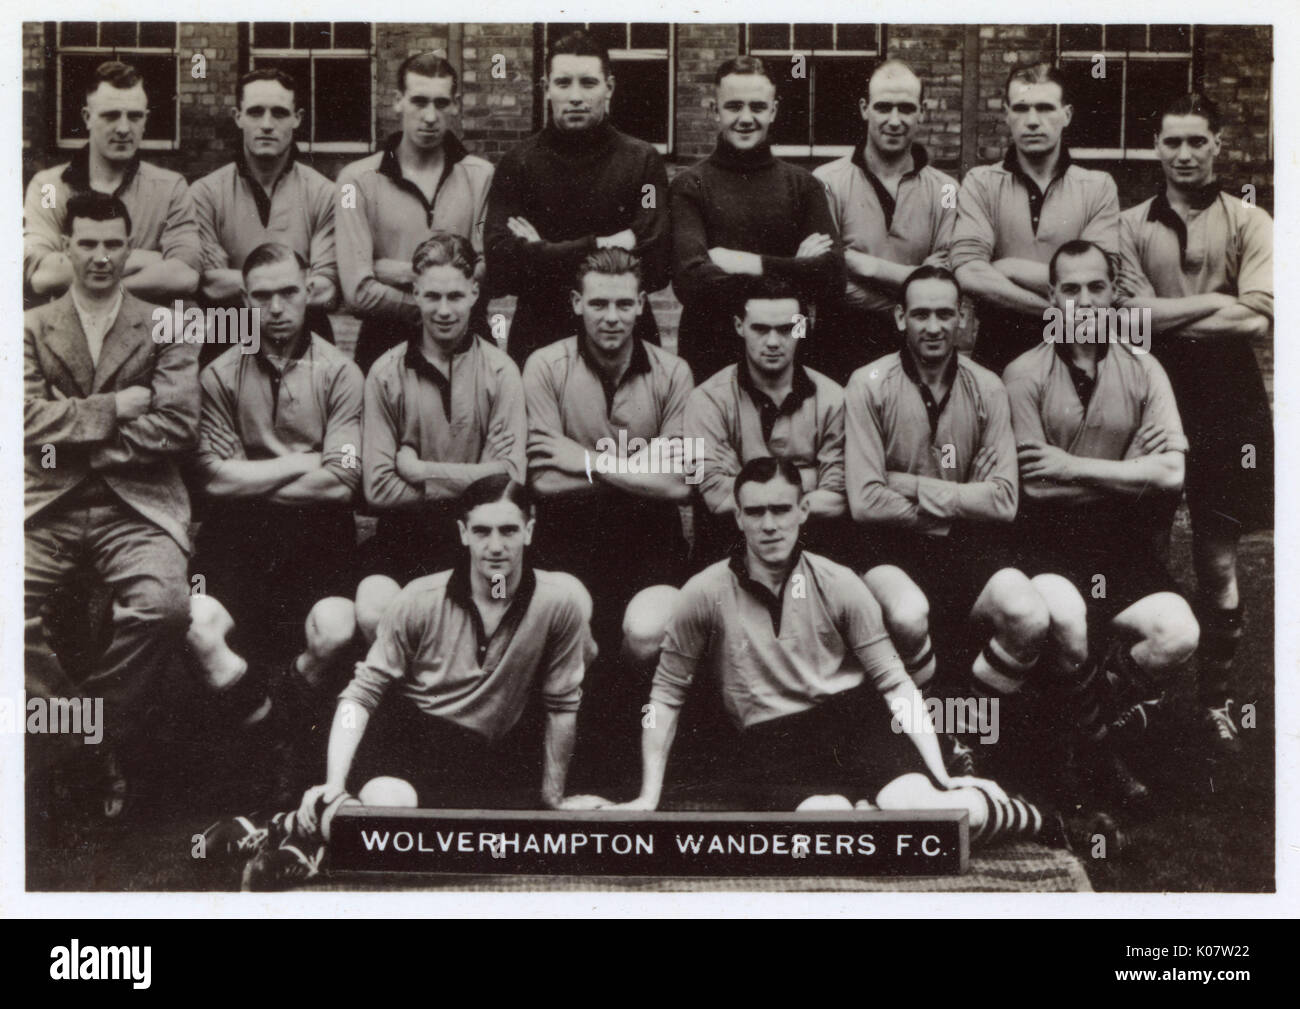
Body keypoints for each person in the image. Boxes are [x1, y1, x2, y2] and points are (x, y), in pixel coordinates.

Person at [610, 458, 1113, 854]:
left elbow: (896, 686)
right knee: (829, 829)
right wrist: (647, 798)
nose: (769, 525)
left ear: (803, 511)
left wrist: (938, 772)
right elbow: (666, 697)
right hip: (772, 738)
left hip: (854, 720)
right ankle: (871, 806)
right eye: (757, 512)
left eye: (782, 509)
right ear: (737, 516)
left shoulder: (840, 582)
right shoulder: (703, 592)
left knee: (942, 815)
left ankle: (1037, 817)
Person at [225, 476, 604, 889]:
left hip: (482, 756)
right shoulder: (420, 598)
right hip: (407, 739)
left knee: (485, 844)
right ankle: (315, 832)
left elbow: (563, 704)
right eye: (481, 531)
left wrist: (554, 799)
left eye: (509, 530)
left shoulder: (558, 604)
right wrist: (334, 782)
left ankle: (298, 832)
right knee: (392, 807)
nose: (496, 546)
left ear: (530, 530)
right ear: (462, 533)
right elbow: (361, 695)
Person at [844, 265, 1092, 790]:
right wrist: (960, 498)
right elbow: (865, 503)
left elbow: (1003, 502)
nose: (932, 327)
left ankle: (972, 733)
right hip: (890, 548)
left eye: (944, 314)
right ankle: (934, 734)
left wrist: (908, 485)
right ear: (899, 318)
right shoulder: (867, 384)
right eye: (920, 314)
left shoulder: (989, 386)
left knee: (1027, 612)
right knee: (907, 615)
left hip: (967, 546)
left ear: (963, 318)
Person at [1005, 240, 1200, 799]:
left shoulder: (1143, 365)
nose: (1084, 301)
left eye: (1096, 287)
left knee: (1178, 632)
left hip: (1117, 541)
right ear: (1051, 297)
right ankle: (1093, 758)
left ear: (1114, 293)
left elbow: (1170, 477)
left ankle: (1082, 725)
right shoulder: (1023, 374)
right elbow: (1036, 485)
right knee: (1067, 624)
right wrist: (1127, 466)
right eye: (1070, 289)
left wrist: (1074, 465)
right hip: (1044, 540)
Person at [24, 193, 198, 809]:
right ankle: (83, 738)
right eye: (87, 243)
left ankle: (82, 732)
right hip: (47, 504)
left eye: (113, 244)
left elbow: (178, 427)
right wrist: (112, 409)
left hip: (139, 505)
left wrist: (72, 432)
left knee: (165, 608)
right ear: (66, 248)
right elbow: (19, 422)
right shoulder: (26, 326)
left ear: (130, 248)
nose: (100, 257)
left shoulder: (167, 323)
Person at [1116, 93, 1273, 754]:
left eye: (1196, 142)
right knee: (1136, 548)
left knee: (1216, 557)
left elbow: (1257, 317)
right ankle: (1130, 698)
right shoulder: (1127, 224)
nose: (1183, 154)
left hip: (1227, 399)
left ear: (1219, 146)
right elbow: (1124, 317)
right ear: (1157, 146)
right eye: (1172, 142)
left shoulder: (1252, 219)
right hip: (1148, 391)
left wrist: (1168, 310)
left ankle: (1215, 703)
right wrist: (1214, 301)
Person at [192, 242, 364, 792]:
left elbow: (342, 483)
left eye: (289, 292)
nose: (276, 308)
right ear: (244, 299)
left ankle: (279, 712)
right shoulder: (218, 374)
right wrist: (305, 461)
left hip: (318, 536)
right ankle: (263, 720)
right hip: (236, 539)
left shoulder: (341, 372)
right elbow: (213, 481)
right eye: (261, 296)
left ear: (309, 289)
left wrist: (251, 475)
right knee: (196, 622)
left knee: (335, 629)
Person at [522, 248, 693, 788]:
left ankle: (631, 763)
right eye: (599, 303)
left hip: (650, 541)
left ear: (643, 304)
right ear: (577, 304)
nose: (612, 317)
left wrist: (588, 461)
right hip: (565, 537)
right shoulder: (544, 366)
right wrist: (636, 468)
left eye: (624, 303)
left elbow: (679, 483)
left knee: (644, 634)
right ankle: (574, 769)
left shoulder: (673, 372)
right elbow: (543, 480)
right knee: (576, 638)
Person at [484, 29, 671, 369]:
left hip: (625, 342)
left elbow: (656, 262)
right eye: (563, 83)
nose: (574, 96)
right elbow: (501, 267)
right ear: (546, 89)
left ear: (609, 88)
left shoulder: (642, 161)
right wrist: (605, 243)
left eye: (587, 83)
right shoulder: (518, 162)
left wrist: (542, 251)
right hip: (539, 340)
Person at [362, 232, 527, 584]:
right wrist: (476, 475)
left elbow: (510, 480)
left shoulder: (501, 371)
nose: (444, 310)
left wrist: (416, 469)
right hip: (404, 539)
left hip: (483, 544)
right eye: (433, 296)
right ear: (415, 294)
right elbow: (378, 487)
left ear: (474, 294)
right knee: (373, 609)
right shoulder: (384, 373)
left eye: (455, 296)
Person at [671, 55, 845, 383]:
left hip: (790, 358)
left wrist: (747, 263)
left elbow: (833, 278)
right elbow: (691, 282)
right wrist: (794, 268)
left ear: (774, 110)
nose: (746, 118)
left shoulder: (803, 185)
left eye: (758, 107)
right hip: (711, 355)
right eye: (734, 106)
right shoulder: (689, 185)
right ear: (715, 110)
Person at [951, 63, 1119, 374]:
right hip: (999, 351)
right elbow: (969, 272)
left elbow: (1101, 281)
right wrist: (1057, 310)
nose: (1032, 121)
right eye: (1021, 108)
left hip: (1077, 353)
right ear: (1006, 114)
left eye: (1044, 108)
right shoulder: (980, 182)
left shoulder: (1098, 186)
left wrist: (1009, 268)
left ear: (1066, 114)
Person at [337, 52, 494, 374]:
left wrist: (390, 271)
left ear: (456, 104)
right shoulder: (356, 181)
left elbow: (485, 269)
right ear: (398, 101)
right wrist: (444, 294)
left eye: (440, 103)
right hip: (384, 345)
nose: (430, 116)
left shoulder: (482, 176)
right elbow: (357, 291)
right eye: (419, 102)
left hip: (467, 346)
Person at [811, 59, 957, 384]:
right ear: (865, 108)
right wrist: (913, 280)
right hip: (839, 346)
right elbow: (827, 279)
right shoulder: (824, 182)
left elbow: (945, 277)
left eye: (906, 108)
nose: (894, 120)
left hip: (917, 351)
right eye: (883, 107)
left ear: (921, 111)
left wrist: (863, 266)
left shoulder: (947, 190)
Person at [686, 275, 846, 566]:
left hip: (815, 552)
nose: (773, 342)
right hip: (730, 554)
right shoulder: (706, 400)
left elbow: (837, 499)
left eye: (785, 329)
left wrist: (744, 474)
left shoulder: (835, 399)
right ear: (739, 327)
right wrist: (809, 476)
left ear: (802, 326)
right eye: (760, 329)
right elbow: (715, 497)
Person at [24, 60, 200, 306]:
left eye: (135, 116)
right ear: (87, 117)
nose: (124, 128)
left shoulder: (170, 189)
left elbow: (185, 275)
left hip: (146, 337)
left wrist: (104, 288)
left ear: (146, 119)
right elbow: (43, 275)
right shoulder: (49, 187)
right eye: (111, 115)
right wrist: (149, 260)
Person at [189, 68, 339, 349]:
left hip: (307, 339)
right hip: (229, 335)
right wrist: (297, 282)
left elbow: (327, 289)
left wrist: (240, 281)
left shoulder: (324, 193)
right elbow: (209, 284)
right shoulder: (205, 193)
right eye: (256, 112)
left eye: (280, 113)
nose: (267, 124)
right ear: (238, 117)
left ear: (297, 118)